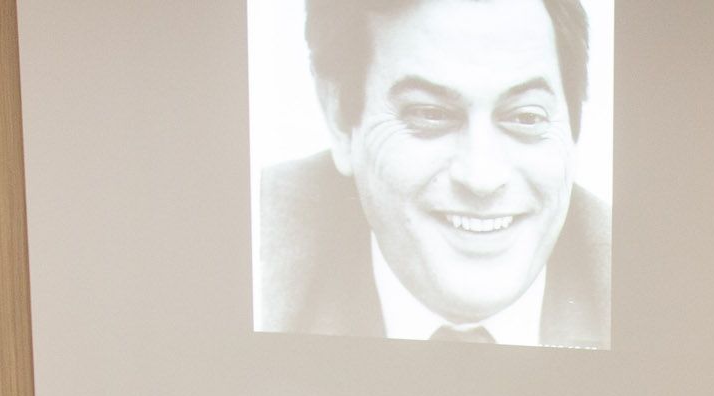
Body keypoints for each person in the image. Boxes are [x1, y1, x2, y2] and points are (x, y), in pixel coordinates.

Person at [258, 0, 610, 348]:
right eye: (428, 113)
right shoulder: (256, 260)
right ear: (339, 119)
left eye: (526, 117)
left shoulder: (638, 283)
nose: (481, 178)